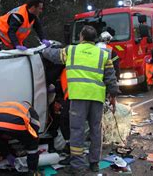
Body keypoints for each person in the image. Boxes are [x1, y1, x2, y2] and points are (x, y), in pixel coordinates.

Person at [41, 25, 121, 174]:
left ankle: (77, 167)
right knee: (96, 131)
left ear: (81, 37)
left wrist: (44, 49)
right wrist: (113, 95)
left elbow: (53, 56)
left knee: (77, 131)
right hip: (97, 97)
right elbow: (111, 77)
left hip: (78, 97)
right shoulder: (103, 54)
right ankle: (94, 163)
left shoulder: (71, 50)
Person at [0, 101, 41, 176]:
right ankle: (32, 172)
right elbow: (35, 126)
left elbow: (3, 131)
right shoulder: (30, 110)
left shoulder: (11, 106)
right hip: (13, 122)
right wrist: (30, 141)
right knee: (33, 143)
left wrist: (7, 154)